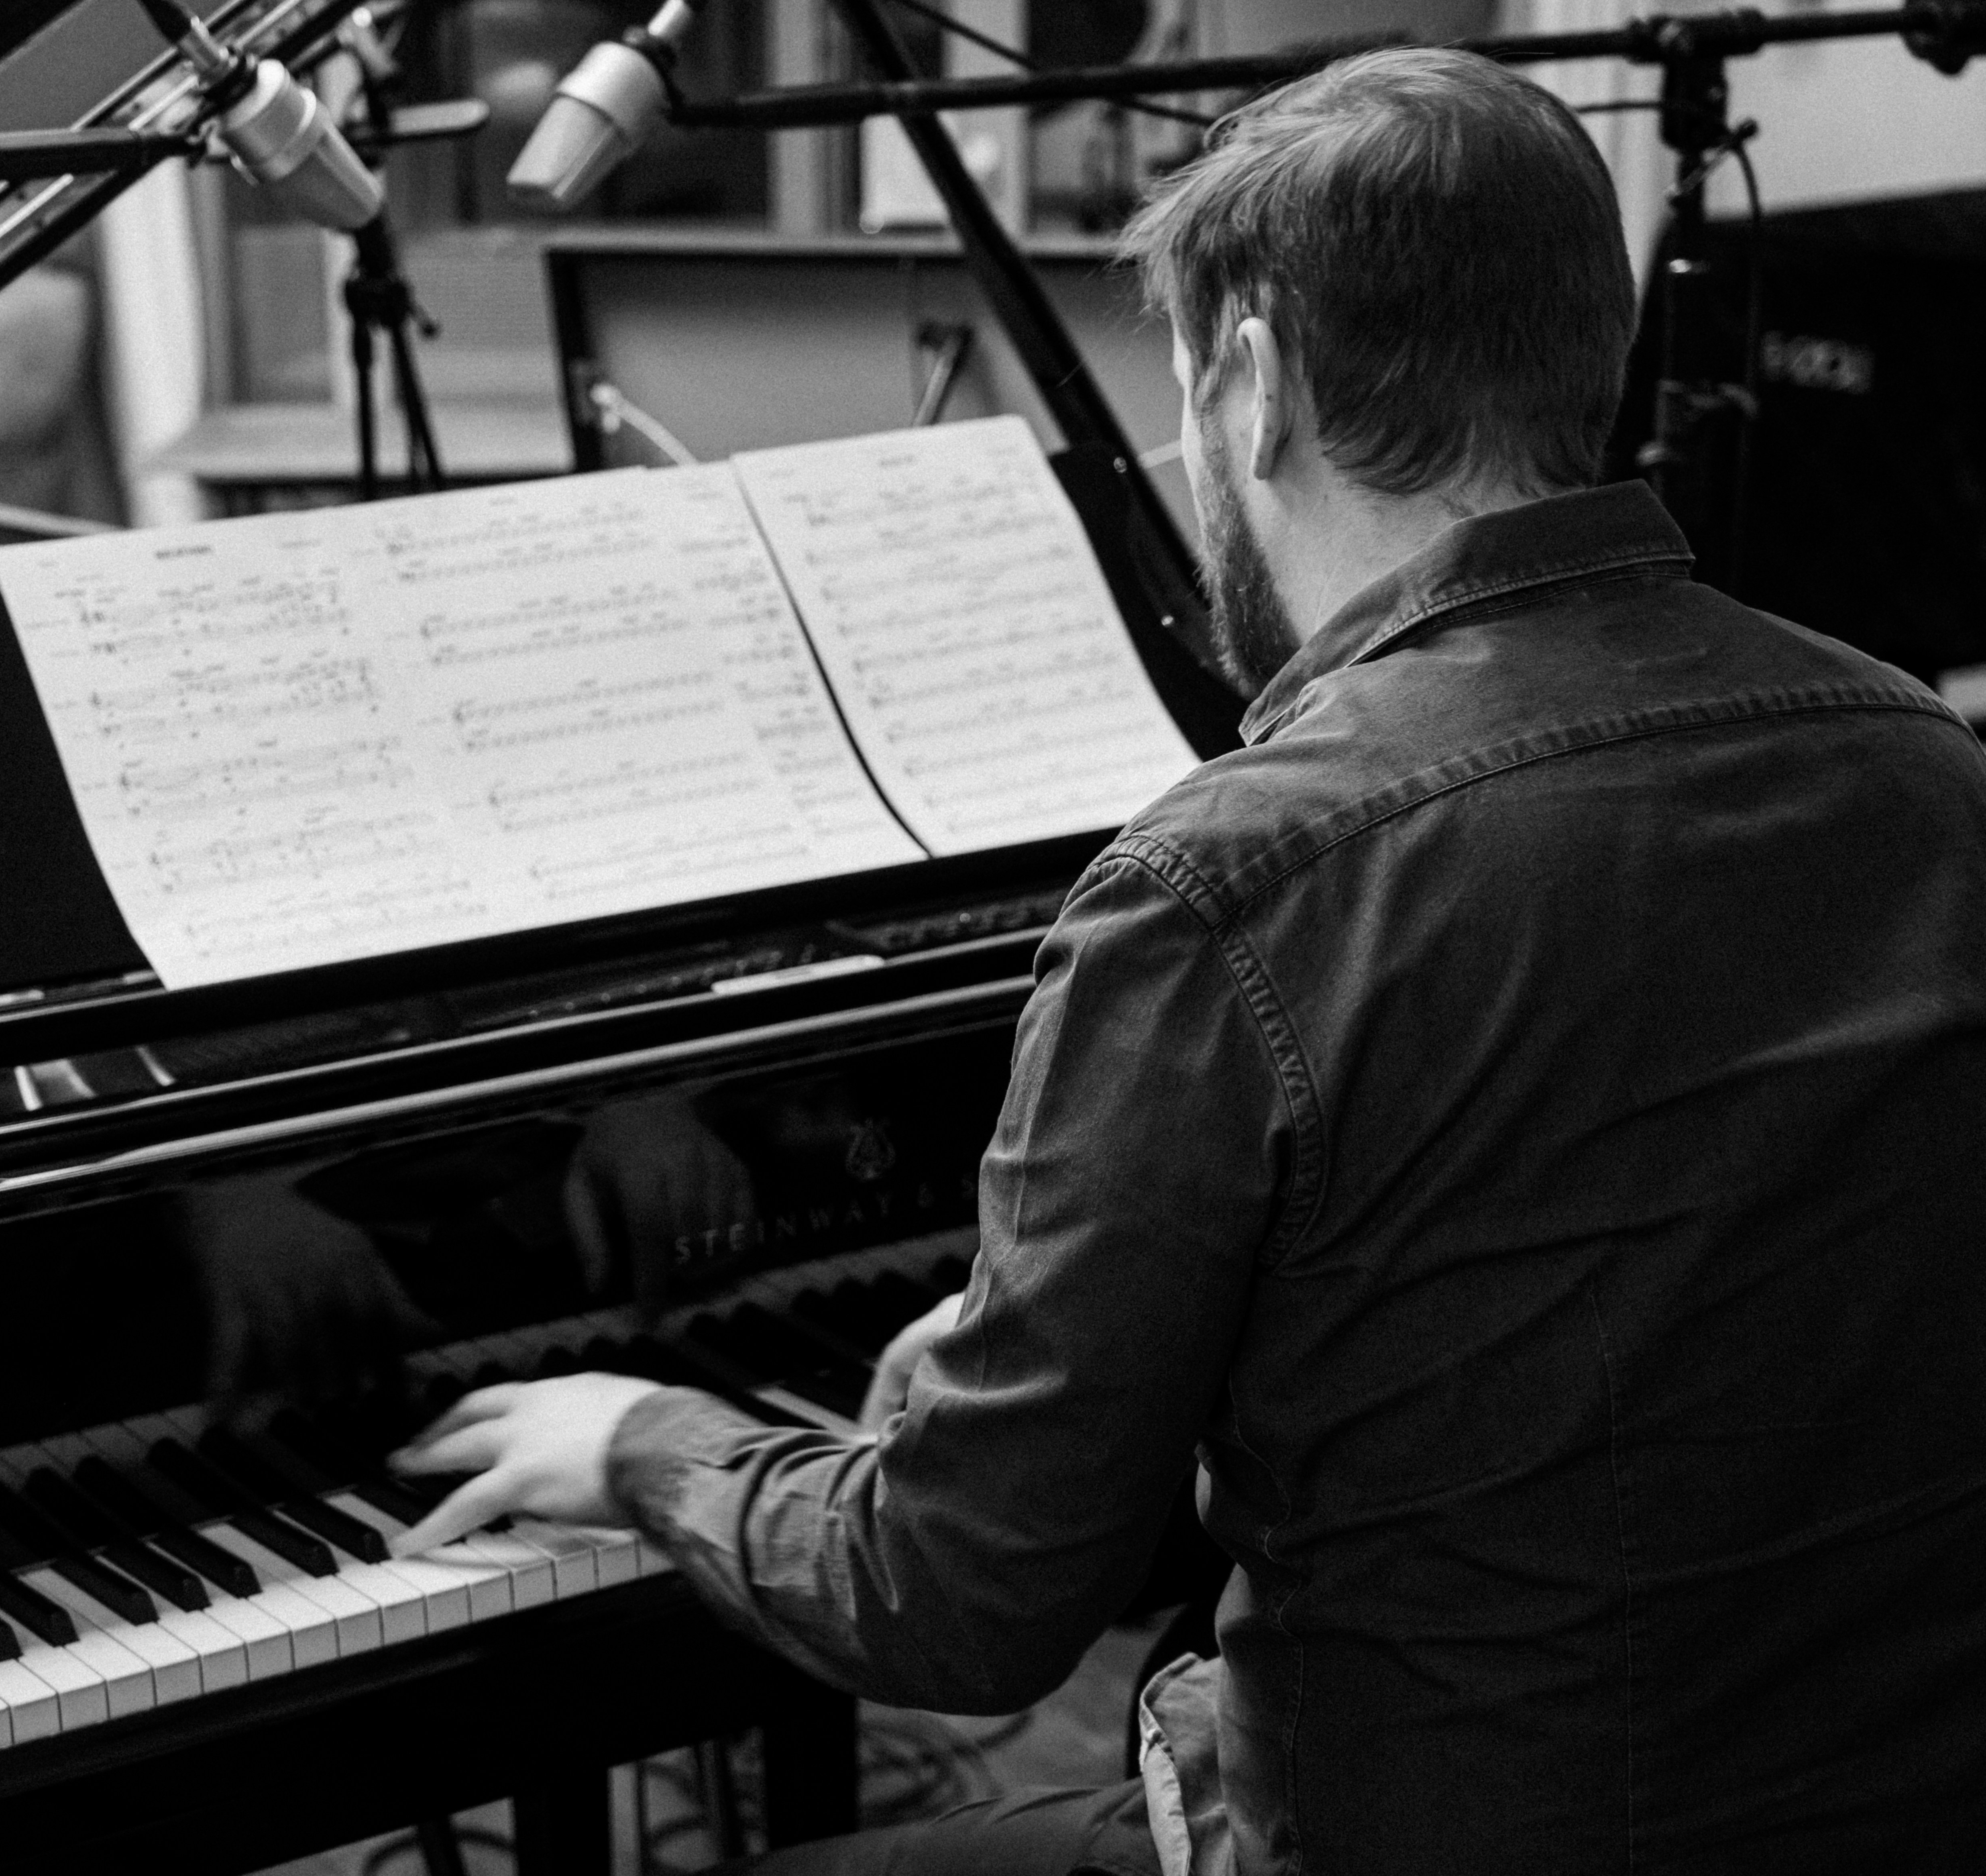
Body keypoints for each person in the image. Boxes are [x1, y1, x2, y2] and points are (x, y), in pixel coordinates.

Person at [385, 45, 1986, 1876]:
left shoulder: (1228, 887)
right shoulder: (1930, 773)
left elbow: (956, 1605)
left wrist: (656, 1437)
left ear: (1251, 378)